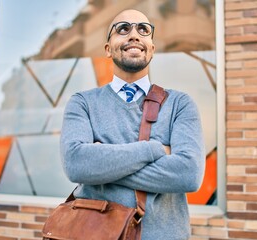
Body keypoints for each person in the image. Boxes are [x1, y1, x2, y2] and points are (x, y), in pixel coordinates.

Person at [61, 9, 205, 240]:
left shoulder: (180, 104)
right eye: (123, 28)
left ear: (152, 48)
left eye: (143, 29)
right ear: (108, 49)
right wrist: (155, 149)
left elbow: (188, 174)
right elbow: (76, 164)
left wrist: (99, 165)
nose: (134, 35)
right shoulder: (83, 103)